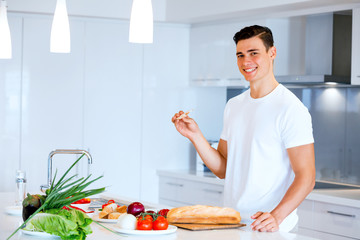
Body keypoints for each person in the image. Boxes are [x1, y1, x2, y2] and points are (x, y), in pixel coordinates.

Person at [171, 25, 315, 232]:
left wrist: (277, 216)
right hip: (232, 221)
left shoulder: (290, 109)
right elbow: (222, 169)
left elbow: (307, 176)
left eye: (253, 53)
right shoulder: (234, 105)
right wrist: (195, 136)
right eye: (240, 55)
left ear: (272, 53)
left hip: (270, 228)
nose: (245, 61)